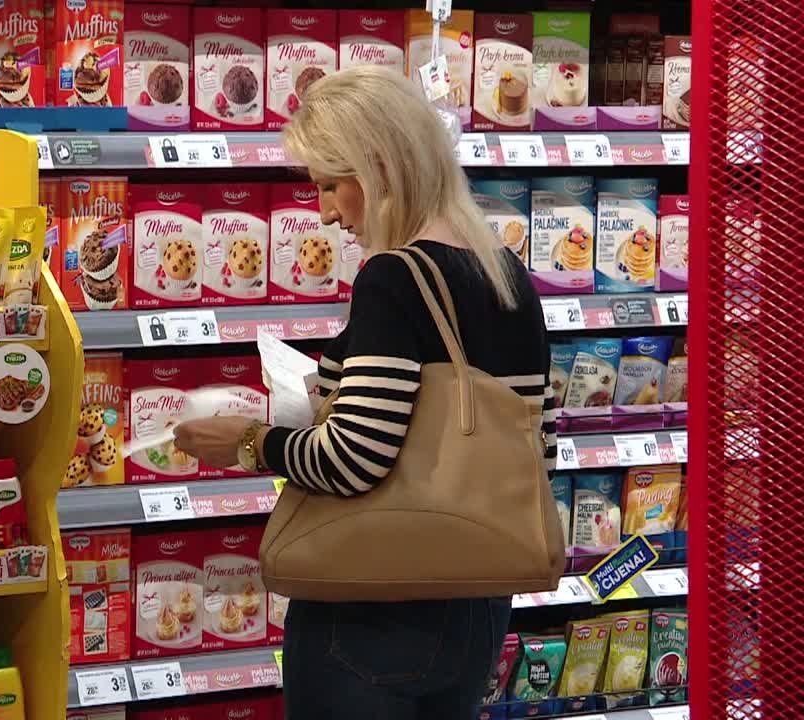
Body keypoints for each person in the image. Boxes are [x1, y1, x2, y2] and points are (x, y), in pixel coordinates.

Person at [172, 66, 558, 720]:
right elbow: (536, 450)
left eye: (330, 185)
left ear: (380, 167)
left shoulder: (394, 278)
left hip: (373, 607)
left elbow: (354, 459)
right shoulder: (507, 274)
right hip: (479, 608)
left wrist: (248, 442)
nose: (324, 212)